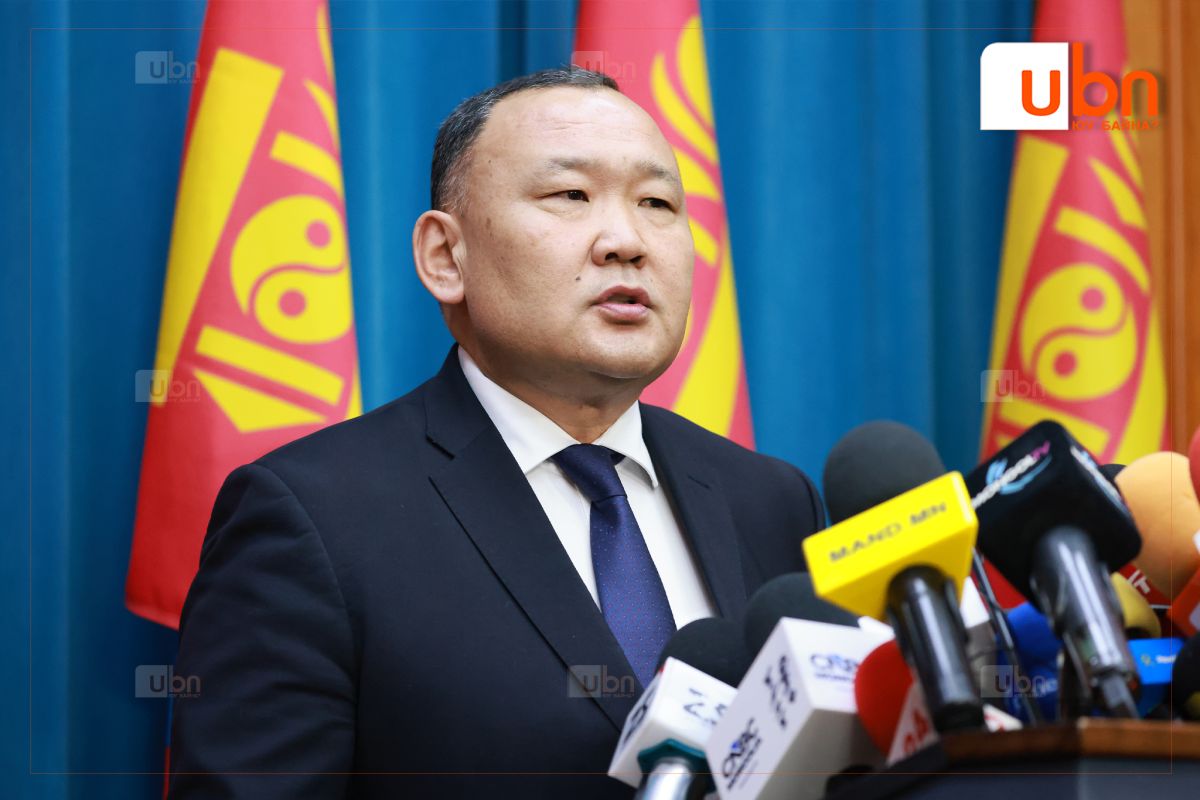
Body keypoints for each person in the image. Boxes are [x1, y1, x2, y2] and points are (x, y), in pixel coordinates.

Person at [168, 68, 823, 799]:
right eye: (570, 195)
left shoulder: (771, 500)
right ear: (445, 257)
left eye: (657, 203)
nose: (627, 241)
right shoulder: (313, 518)